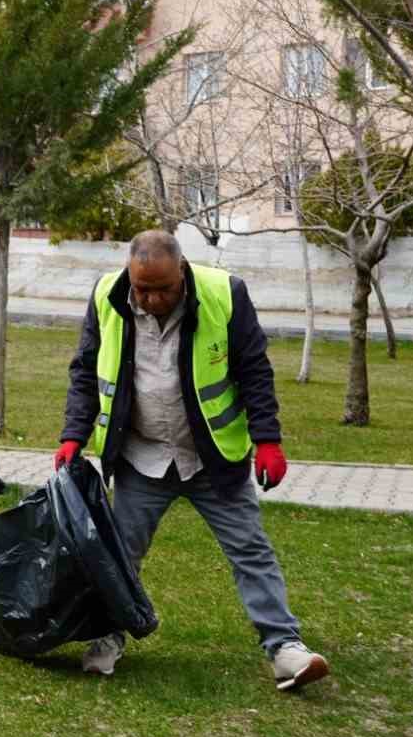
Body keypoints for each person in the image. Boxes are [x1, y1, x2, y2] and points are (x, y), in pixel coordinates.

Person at [55, 230, 328, 690]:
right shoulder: (108, 296)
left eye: (162, 289)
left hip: (211, 458)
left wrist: (268, 440)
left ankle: (285, 648)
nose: (151, 298)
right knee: (120, 555)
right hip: (142, 455)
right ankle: (106, 636)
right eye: (142, 288)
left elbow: (254, 369)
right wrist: (72, 435)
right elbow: (85, 369)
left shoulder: (226, 294)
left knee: (250, 550)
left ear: (181, 272)